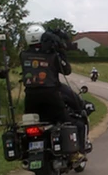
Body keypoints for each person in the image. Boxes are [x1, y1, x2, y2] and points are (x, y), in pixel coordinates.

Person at [19, 24, 85, 162]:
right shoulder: (52, 55)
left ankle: (27, 153)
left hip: (30, 97)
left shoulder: (23, 55)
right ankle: (74, 153)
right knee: (68, 122)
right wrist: (60, 50)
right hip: (52, 95)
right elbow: (66, 70)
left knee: (31, 125)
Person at [59, 83, 90, 153]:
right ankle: (79, 152)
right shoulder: (59, 88)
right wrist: (79, 107)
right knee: (80, 125)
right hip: (57, 117)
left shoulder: (34, 86)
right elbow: (74, 102)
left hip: (40, 119)